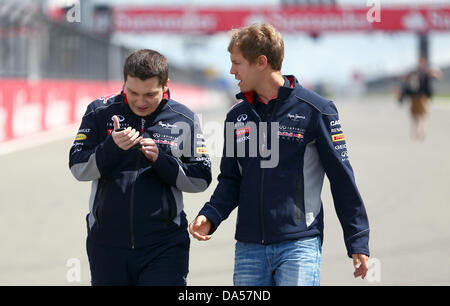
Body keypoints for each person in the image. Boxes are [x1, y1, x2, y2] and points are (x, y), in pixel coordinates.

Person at [189, 24, 370, 286]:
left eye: (236, 63)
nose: (231, 71)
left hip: (299, 244)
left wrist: (358, 239)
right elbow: (230, 180)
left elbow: (342, 179)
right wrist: (210, 215)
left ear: (261, 62)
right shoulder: (237, 116)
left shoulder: (316, 110)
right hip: (249, 246)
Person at [69, 49, 212, 286]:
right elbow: (78, 167)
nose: (140, 101)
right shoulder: (99, 111)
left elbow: (201, 179)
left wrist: (162, 160)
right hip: (107, 245)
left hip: (165, 245)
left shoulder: (184, 117)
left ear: (166, 85)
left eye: (150, 94)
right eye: (133, 92)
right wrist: (110, 148)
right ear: (124, 82)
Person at [399, 55, 442, 140]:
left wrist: (434, 73)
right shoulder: (414, 72)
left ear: (424, 62)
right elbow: (405, 80)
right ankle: (417, 130)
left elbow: (438, 76)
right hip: (414, 96)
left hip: (423, 96)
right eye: (419, 61)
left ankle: (421, 131)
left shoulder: (427, 72)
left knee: (422, 115)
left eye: (422, 61)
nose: (420, 63)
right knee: (415, 116)